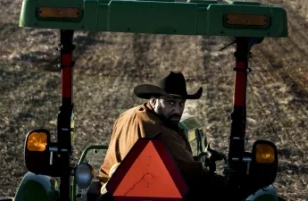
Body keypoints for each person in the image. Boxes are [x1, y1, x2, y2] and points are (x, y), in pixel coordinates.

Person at [97, 71, 226, 199]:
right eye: (171, 102)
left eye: (181, 104)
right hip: (148, 192)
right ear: (153, 101)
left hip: (111, 189)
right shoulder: (160, 131)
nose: (177, 110)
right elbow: (191, 171)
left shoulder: (125, 116)